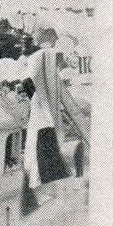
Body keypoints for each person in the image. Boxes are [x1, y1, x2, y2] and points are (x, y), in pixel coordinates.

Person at [23, 28, 72, 193]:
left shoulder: (37, 58)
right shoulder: (44, 57)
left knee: (39, 143)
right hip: (44, 112)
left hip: (41, 111)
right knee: (44, 143)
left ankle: (41, 180)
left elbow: (30, 82)